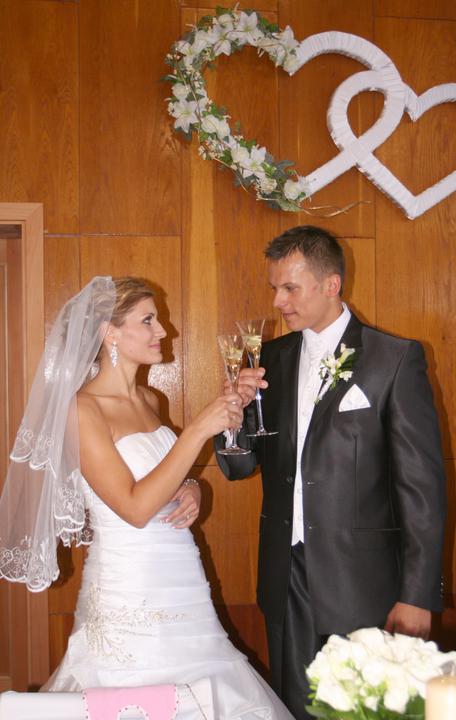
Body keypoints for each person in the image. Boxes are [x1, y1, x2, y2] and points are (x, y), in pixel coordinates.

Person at [0, 276, 294, 719]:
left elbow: (163, 476)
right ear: (109, 333)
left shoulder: (150, 400)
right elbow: (135, 508)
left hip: (183, 582)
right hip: (128, 589)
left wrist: (193, 488)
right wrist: (198, 429)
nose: (163, 331)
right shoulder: (82, 409)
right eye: (148, 320)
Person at [215, 225, 447, 720]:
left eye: (289, 288)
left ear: (331, 284)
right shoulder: (271, 360)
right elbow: (239, 467)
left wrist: (418, 595)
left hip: (365, 585)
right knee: (294, 708)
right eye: (274, 287)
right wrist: (233, 414)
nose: (277, 301)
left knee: (366, 711)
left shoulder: (394, 359)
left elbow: (421, 489)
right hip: (285, 577)